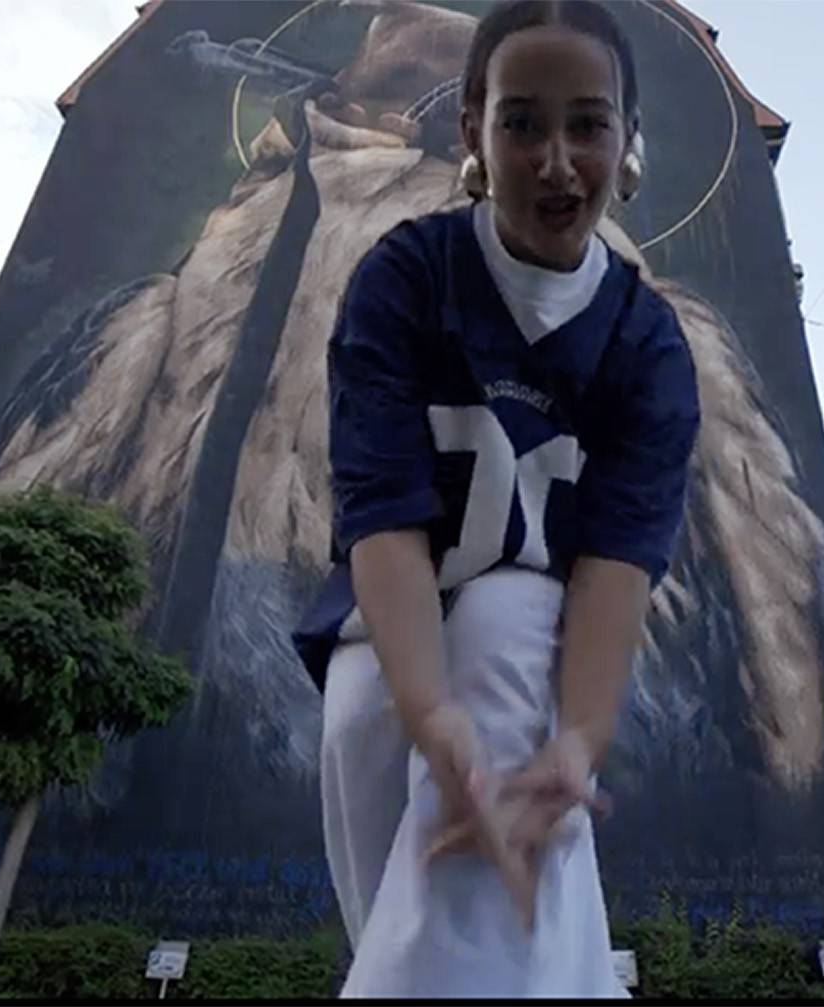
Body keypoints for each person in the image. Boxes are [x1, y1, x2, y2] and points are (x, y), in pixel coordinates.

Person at [293, 0, 701, 995]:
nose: (556, 161)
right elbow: (383, 517)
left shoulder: (646, 345)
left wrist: (576, 741)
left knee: (507, 628)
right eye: (522, 122)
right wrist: (431, 715)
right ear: (473, 127)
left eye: (586, 124)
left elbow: (614, 566)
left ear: (626, 136)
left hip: (539, 618)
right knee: (365, 727)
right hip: (393, 610)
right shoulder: (405, 278)